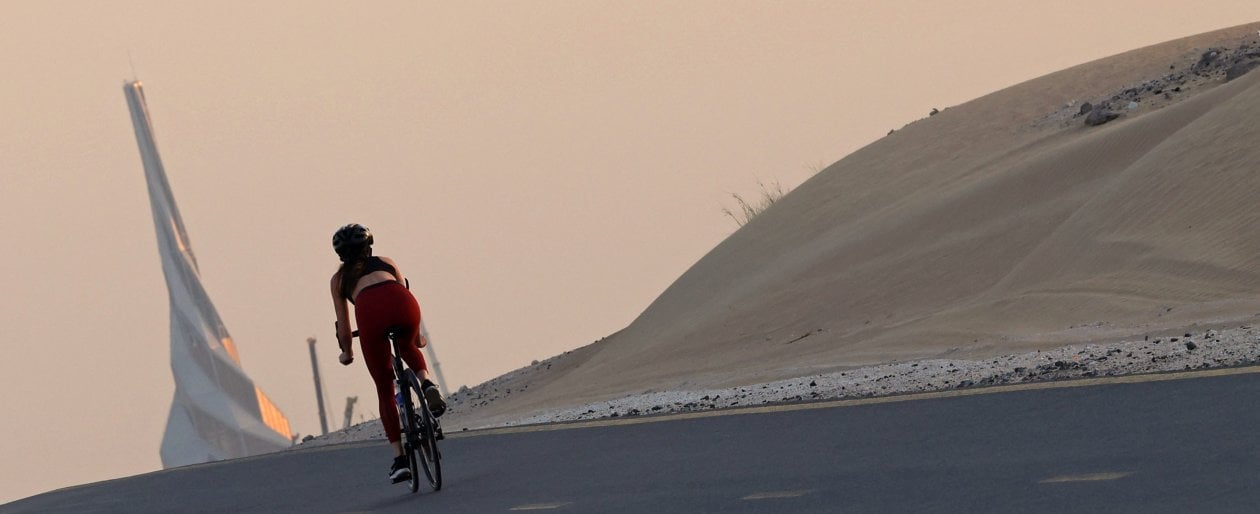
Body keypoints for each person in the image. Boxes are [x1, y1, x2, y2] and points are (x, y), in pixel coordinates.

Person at [330, 223, 446, 483]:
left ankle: (400, 460)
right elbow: (405, 290)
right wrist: (417, 337)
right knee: (408, 346)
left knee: (384, 387)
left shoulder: (339, 280)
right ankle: (426, 382)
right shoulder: (386, 261)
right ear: (369, 247)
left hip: (370, 313)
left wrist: (346, 354)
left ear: (340, 256)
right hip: (402, 303)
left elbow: (345, 327)